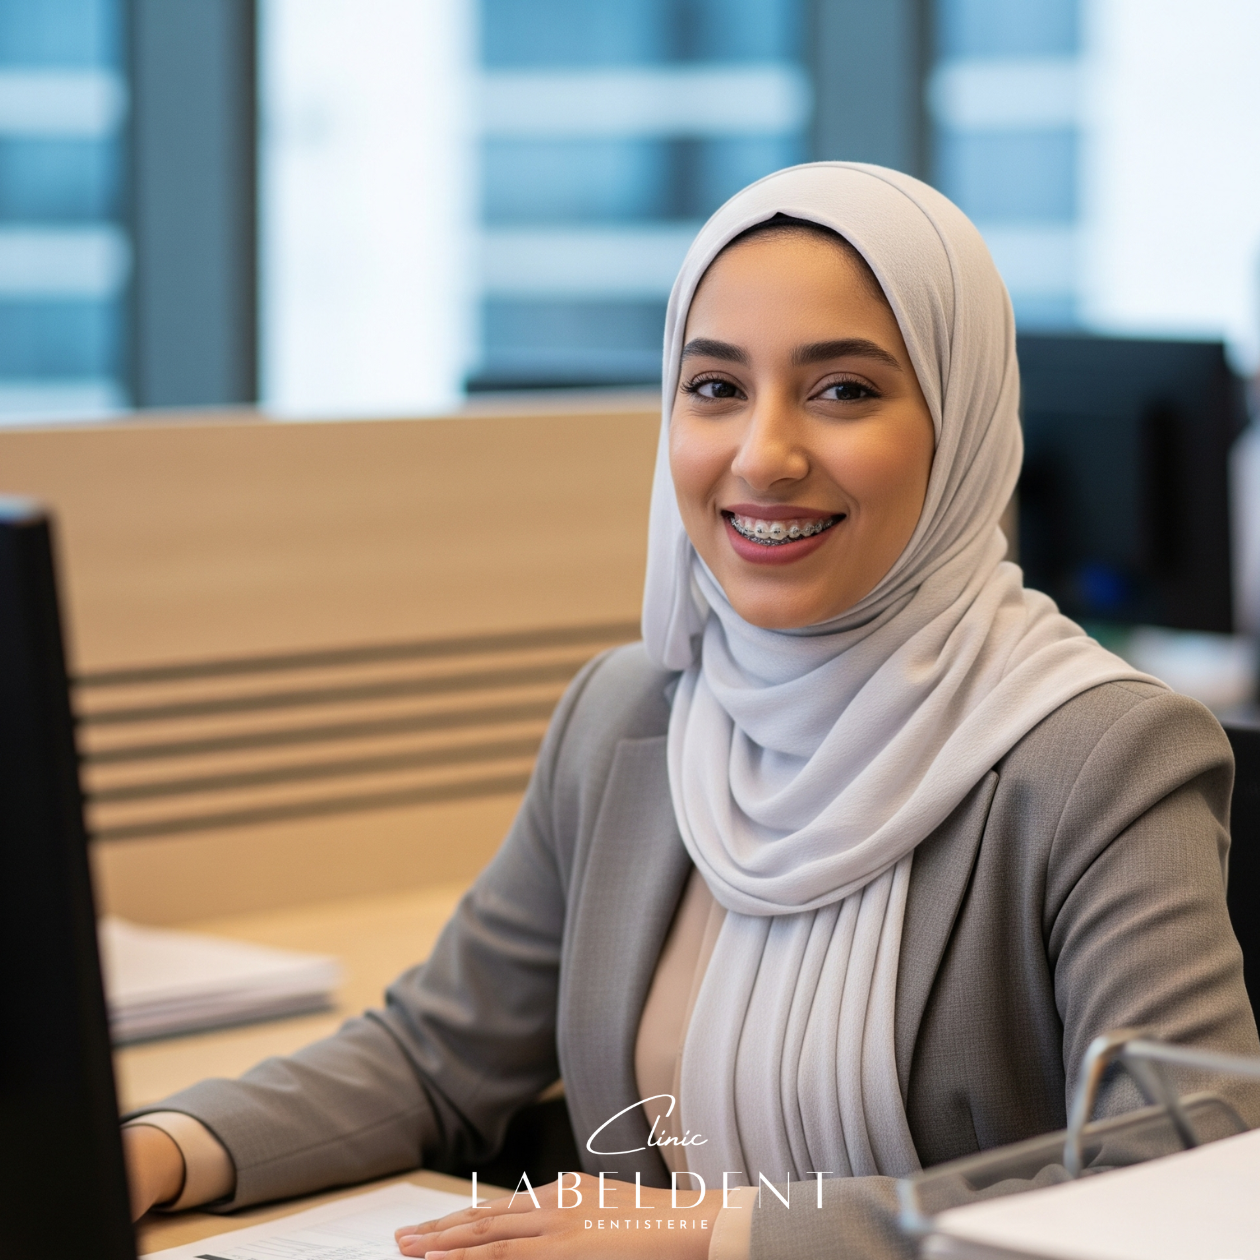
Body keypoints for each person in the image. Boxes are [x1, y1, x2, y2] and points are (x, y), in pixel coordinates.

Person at [122, 163, 1260, 1259]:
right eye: (716, 388)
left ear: (959, 424)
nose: (764, 456)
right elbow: (435, 1054)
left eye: (844, 390)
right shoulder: (631, 717)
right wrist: (155, 1151)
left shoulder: (1101, 756)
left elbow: (1179, 1168)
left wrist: (715, 1235)